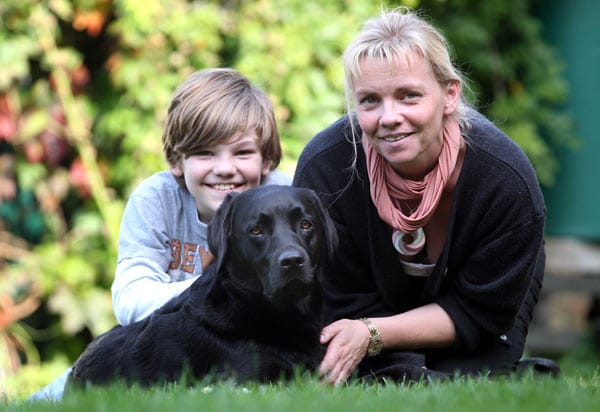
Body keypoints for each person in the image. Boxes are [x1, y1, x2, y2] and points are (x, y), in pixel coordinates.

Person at [293, 7, 552, 385]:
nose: (389, 117)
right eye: (369, 101)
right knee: (377, 378)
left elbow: (479, 313)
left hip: (476, 312)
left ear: (449, 95)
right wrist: (365, 334)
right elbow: (340, 300)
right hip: (364, 311)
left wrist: (373, 334)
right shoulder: (326, 167)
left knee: (473, 378)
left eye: (409, 96)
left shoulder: (504, 177)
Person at [30, 67, 290, 400]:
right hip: (158, 357)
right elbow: (130, 299)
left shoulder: (282, 199)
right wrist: (220, 293)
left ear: (266, 159)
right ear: (176, 160)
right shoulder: (156, 199)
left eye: (242, 152)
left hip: (248, 357)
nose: (225, 168)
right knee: (47, 400)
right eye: (204, 153)